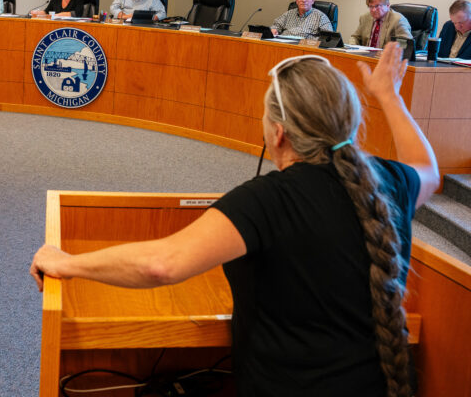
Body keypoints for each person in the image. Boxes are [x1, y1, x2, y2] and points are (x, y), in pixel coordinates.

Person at [31, 43, 439, 397]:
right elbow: (428, 170)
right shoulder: (386, 183)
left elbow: (162, 264)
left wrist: (66, 263)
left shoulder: (265, 201)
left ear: (277, 133)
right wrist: (389, 96)